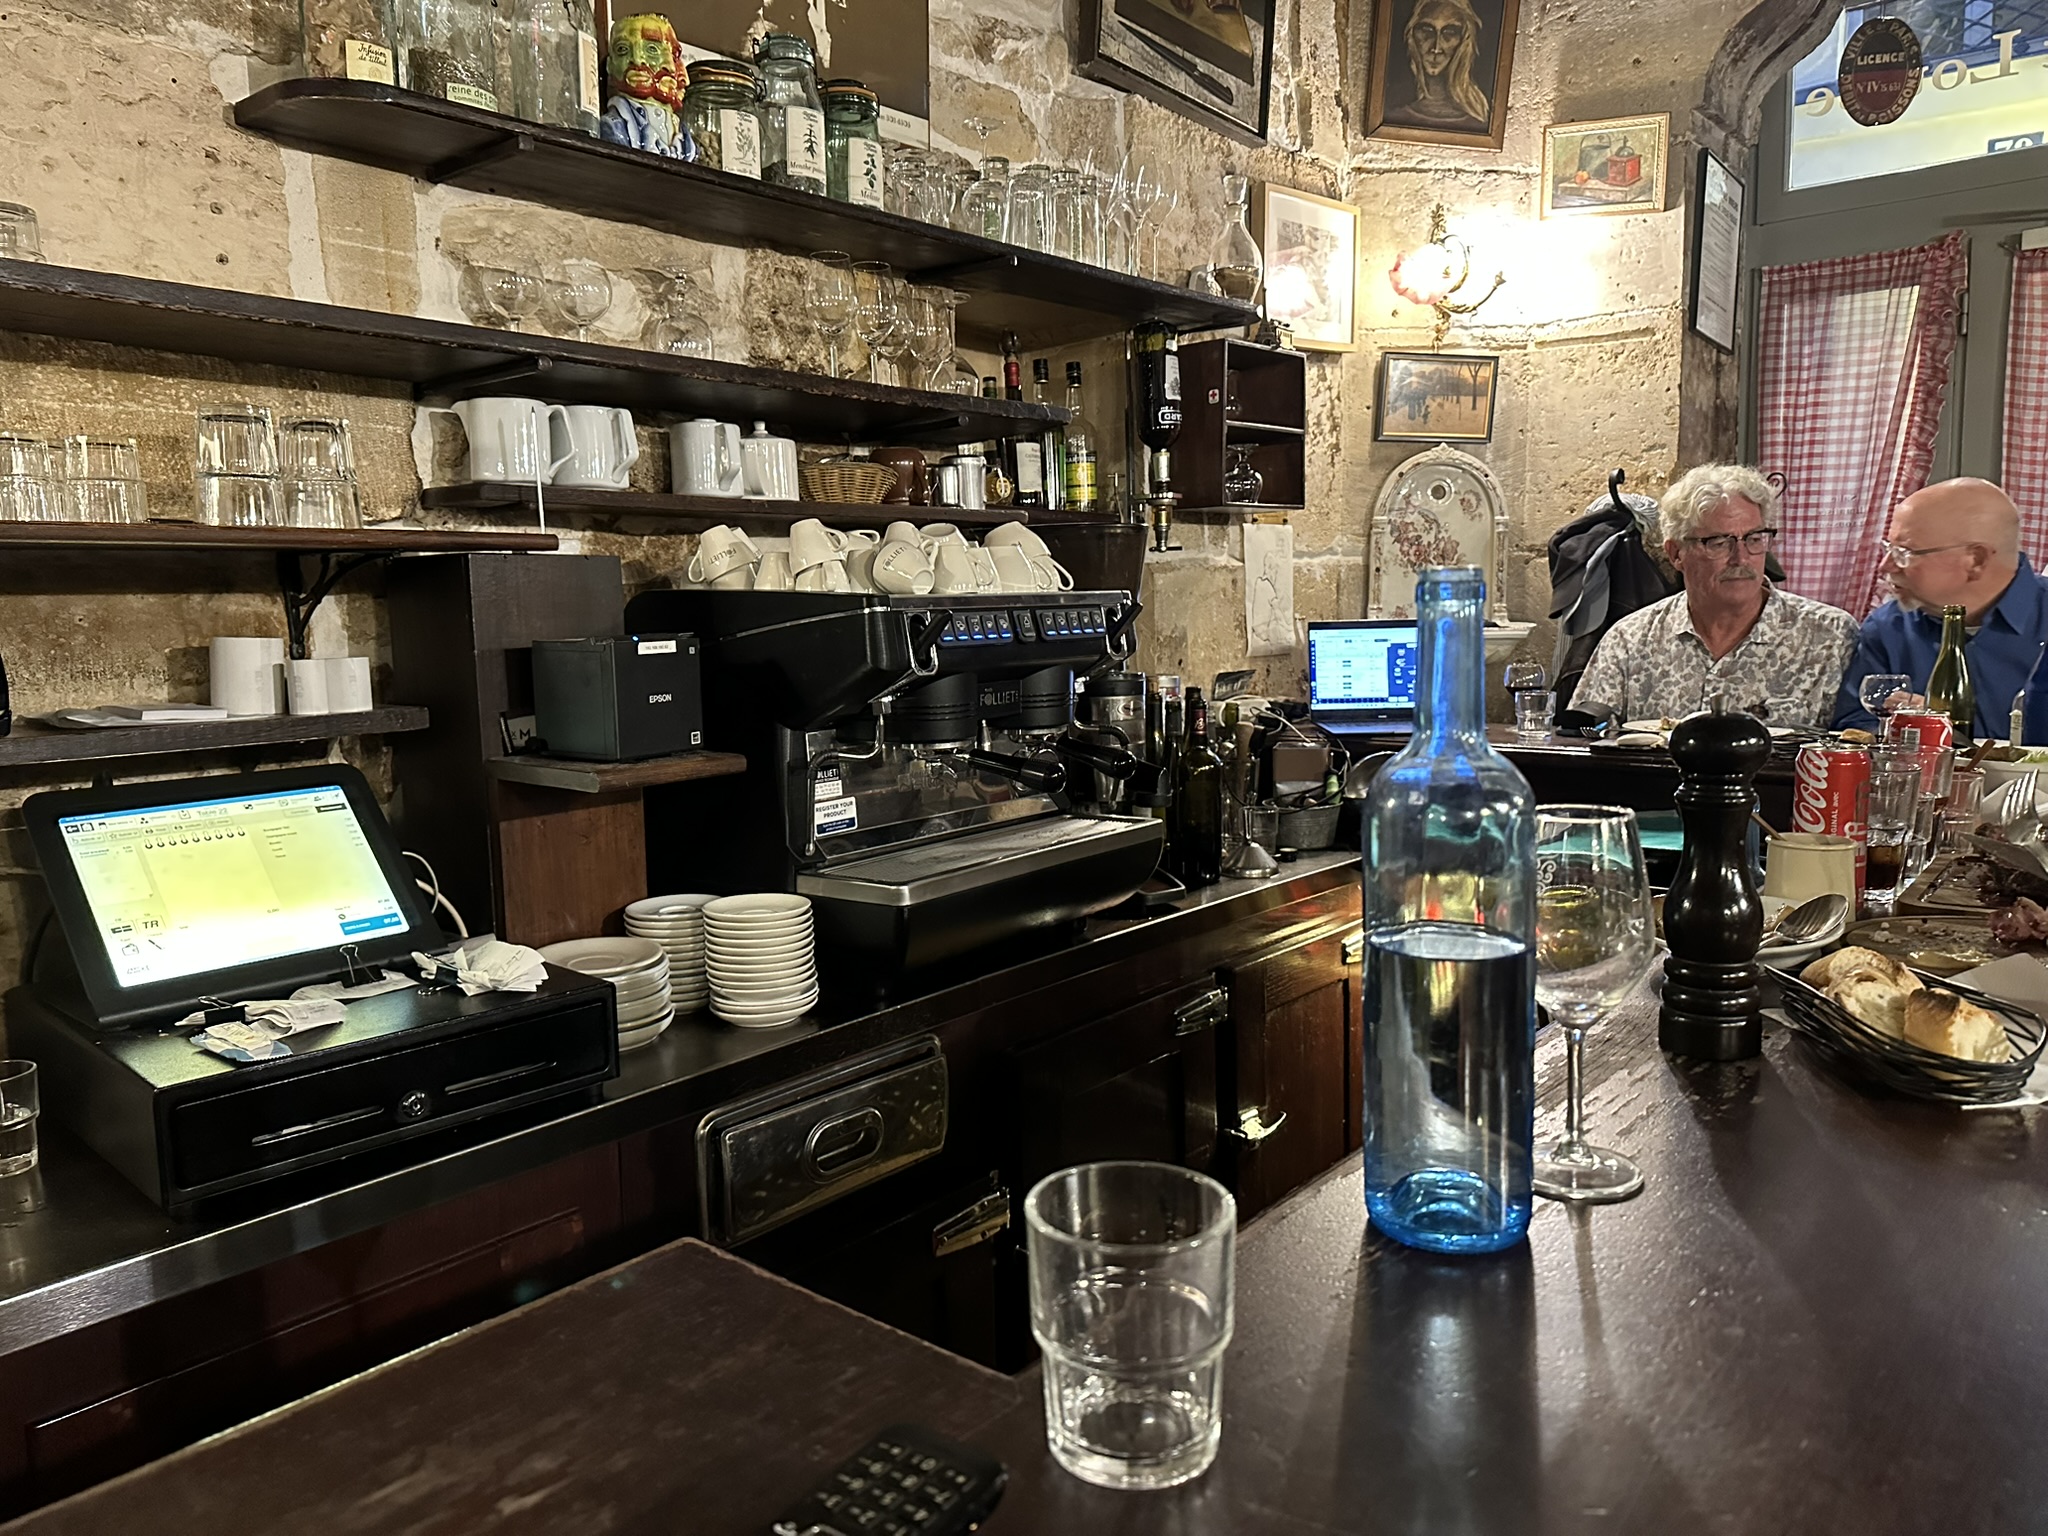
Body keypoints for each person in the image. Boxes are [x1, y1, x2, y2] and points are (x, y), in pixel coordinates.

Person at [1570, 464, 1858, 727]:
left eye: (1754, 539)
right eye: (1719, 543)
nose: (1741, 558)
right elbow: (1580, 742)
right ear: (1676, 553)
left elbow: (1861, 746)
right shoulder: (1630, 641)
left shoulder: (1830, 637)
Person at [1834, 478, 2048, 741]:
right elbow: (1854, 727)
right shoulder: (1888, 627)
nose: (1885, 566)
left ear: (1975, 560)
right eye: (1888, 548)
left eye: (1905, 552)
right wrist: (1906, 728)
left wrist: (1944, 729)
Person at [1385, 0, 1490, 133]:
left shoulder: (1478, 125)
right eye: (1427, 31)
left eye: (1449, 33)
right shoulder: (1392, 116)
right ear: (1412, 35)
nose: (1436, 48)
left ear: (1464, 40)